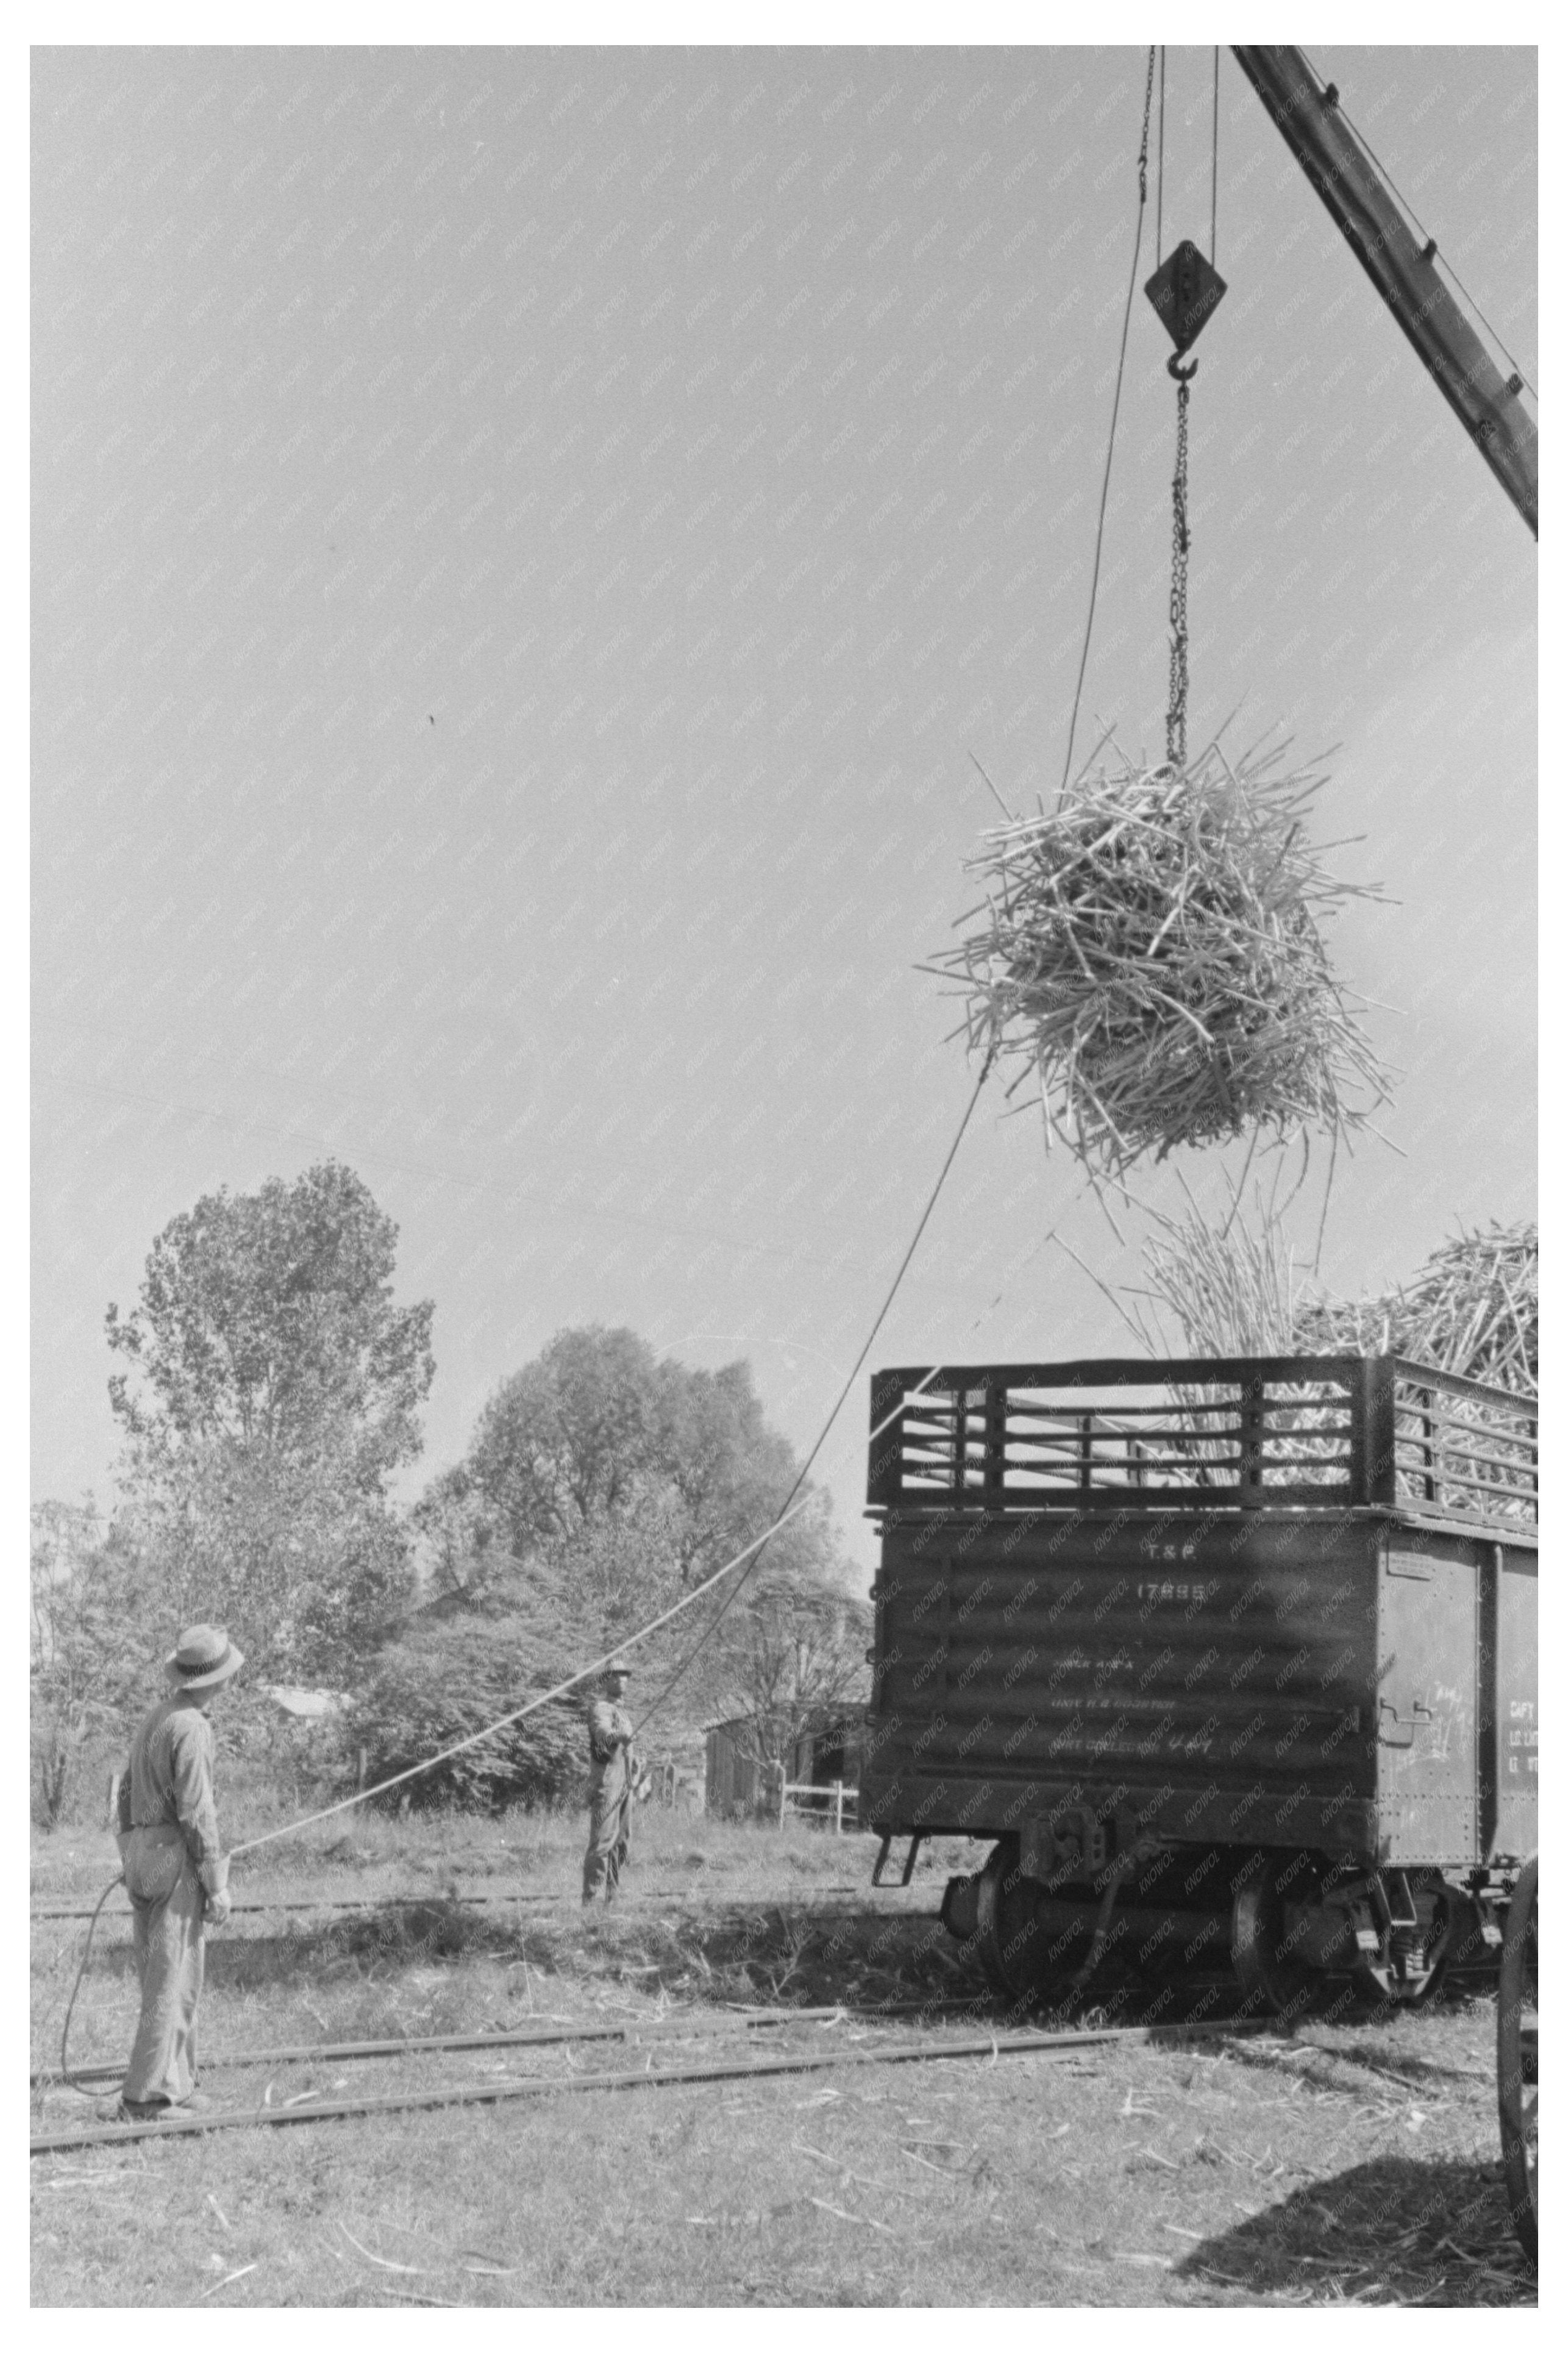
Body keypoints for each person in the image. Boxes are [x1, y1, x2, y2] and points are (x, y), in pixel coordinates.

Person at [104, 1624, 242, 2121]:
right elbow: (198, 1811)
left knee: (169, 1975)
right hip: (173, 1857)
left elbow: (124, 1792)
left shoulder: (157, 1716)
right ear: (217, 1678)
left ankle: (177, 2084)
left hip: (143, 1850)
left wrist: (131, 1850)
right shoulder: (193, 1726)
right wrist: (217, 1883)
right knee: (173, 1976)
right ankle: (145, 2099)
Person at [582, 1662, 638, 1905]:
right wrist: (618, 1736)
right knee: (602, 1842)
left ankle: (612, 1898)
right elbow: (603, 1733)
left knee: (621, 1842)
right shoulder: (601, 1709)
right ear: (606, 1681)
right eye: (616, 1677)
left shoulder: (623, 1712)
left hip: (626, 1781)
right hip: (608, 1779)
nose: (621, 1680)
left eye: (625, 1676)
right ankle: (591, 1900)